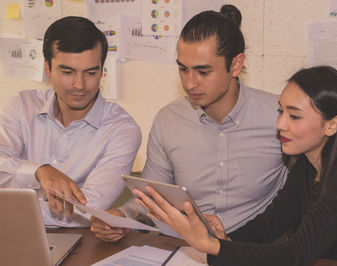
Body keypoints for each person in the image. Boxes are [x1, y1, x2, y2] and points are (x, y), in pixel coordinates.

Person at [134, 66, 337, 265]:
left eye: (294, 116)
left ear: (332, 124)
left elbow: (296, 253)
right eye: (280, 111)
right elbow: (268, 225)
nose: (280, 124)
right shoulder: (309, 163)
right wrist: (224, 238)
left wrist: (214, 247)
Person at [90, 5, 287, 241]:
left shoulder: (280, 116)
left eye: (203, 71)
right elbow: (151, 196)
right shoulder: (168, 120)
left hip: (256, 249)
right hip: (185, 249)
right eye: (183, 69)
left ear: (235, 65)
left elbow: (307, 193)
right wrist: (121, 216)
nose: (190, 82)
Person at [0, 16, 141, 227]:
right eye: (67, 72)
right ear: (47, 68)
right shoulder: (21, 105)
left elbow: (87, 210)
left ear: (102, 71)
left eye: (91, 72)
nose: (79, 85)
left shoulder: (122, 130)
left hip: (79, 246)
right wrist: (39, 171)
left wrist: (12, 206)